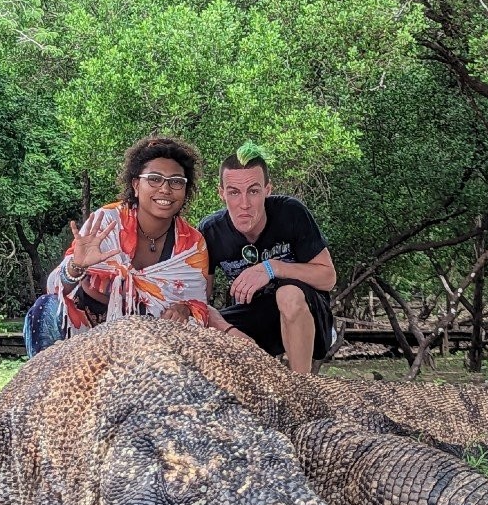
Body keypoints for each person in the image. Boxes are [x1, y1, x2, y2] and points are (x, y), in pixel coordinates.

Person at [23, 137, 209, 356]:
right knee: (44, 309)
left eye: (176, 181)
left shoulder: (192, 244)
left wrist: (184, 310)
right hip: (83, 335)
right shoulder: (106, 222)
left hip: (148, 346)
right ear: (135, 185)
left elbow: (200, 308)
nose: (165, 189)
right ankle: (46, 389)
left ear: (185, 190)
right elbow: (54, 288)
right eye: (154, 179)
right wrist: (76, 266)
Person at [199, 142, 336, 374]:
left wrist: (272, 268)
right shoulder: (210, 230)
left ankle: (300, 386)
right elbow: (200, 299)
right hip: (254, 320)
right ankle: (255, 381)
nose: (244, 204)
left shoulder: (290, 212)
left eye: (253, 191)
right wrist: (225, 329)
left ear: (267, 189)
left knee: (288, 294)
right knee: (205, 324)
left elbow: (328, 277)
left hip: (306, 314)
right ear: (221, 193)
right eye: (234, 192)